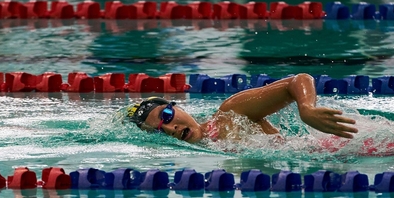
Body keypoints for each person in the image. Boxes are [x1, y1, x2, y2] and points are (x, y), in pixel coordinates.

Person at [125, 73, 358, 143]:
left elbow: (296, 81)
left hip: (350, 139)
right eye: (159, 131)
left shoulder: (230, 113)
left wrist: (306, 108)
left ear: (177, 107)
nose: (171, 129)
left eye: (167, 116)